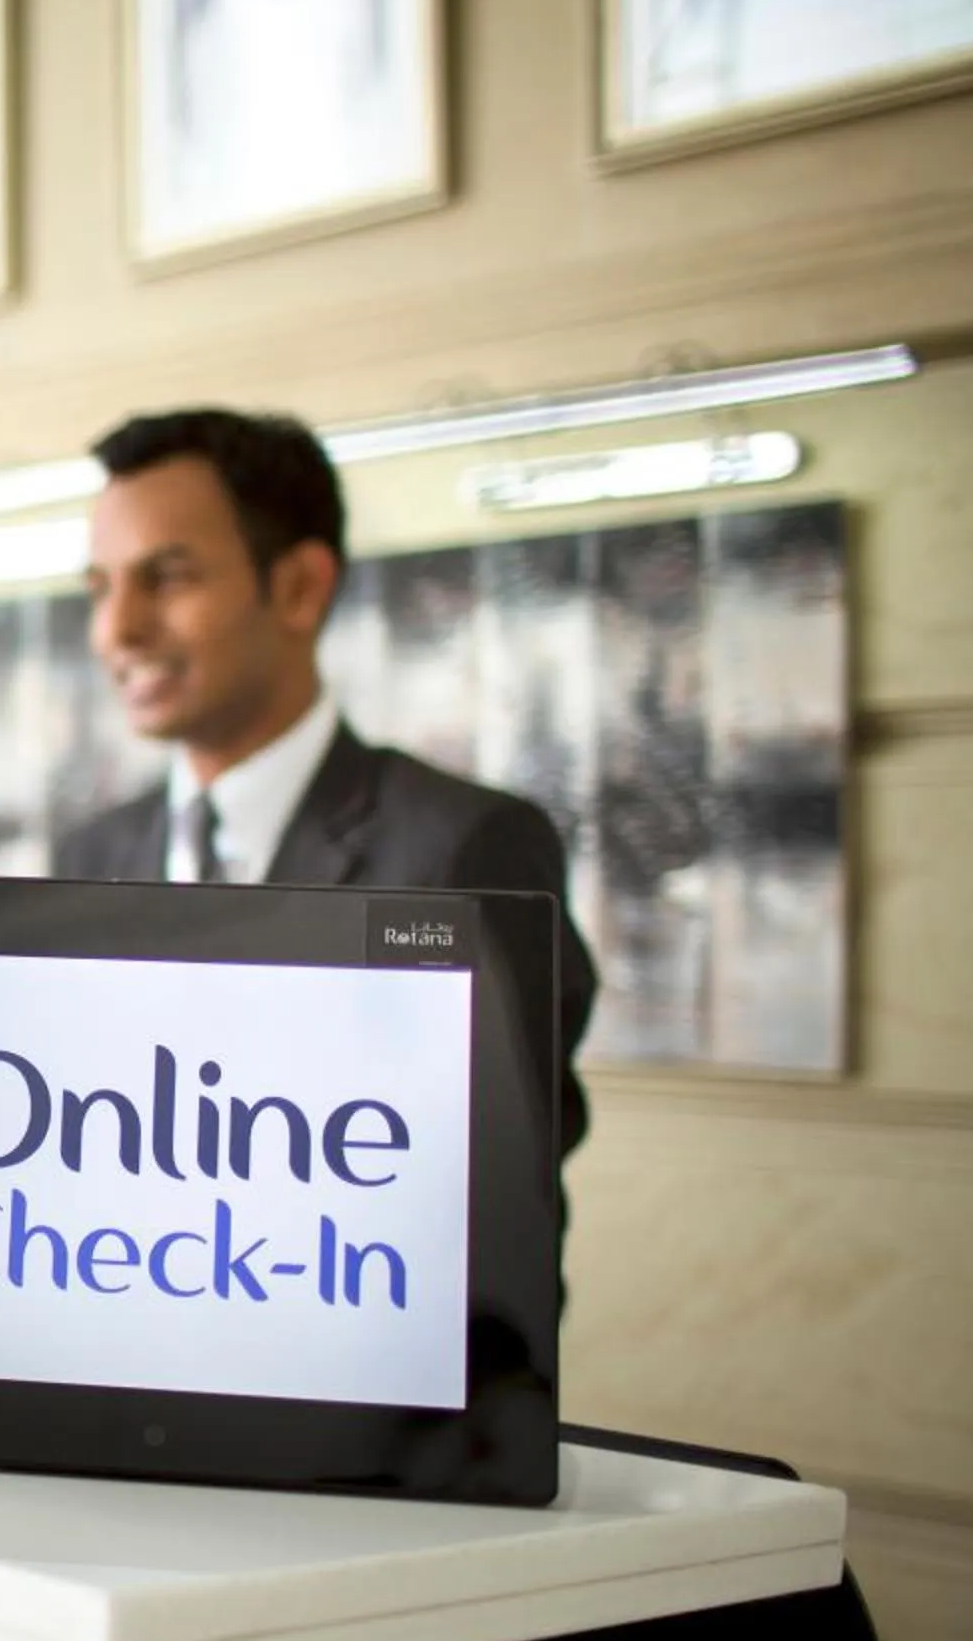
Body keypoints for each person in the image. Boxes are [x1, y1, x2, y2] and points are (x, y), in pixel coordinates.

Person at [51, 409, 599, 1168]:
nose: (116, 630)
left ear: (301, 588)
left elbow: (494, 1226)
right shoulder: (88, 858)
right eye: (100, 588)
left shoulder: (464, 852)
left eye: (167, 577)